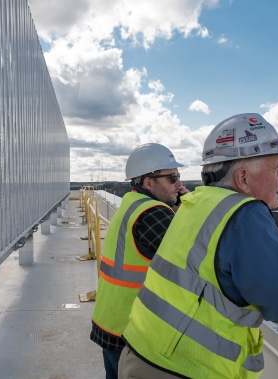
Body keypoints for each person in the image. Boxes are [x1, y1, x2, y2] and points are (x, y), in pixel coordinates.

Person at [119, 113, 278, 379]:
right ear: (243, 179)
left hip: (140, 352)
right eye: (275, 169)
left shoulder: (196, 203)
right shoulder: (245, 216)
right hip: (184, 369)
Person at [90, 143, 189, 379]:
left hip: (111, 322)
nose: (180, 184)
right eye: (172, 178)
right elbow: (193, 259)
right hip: (131, 332)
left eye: (179, 176)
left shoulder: (131, 202)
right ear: (148, 182)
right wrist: (192, 208)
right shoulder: (154, 213)